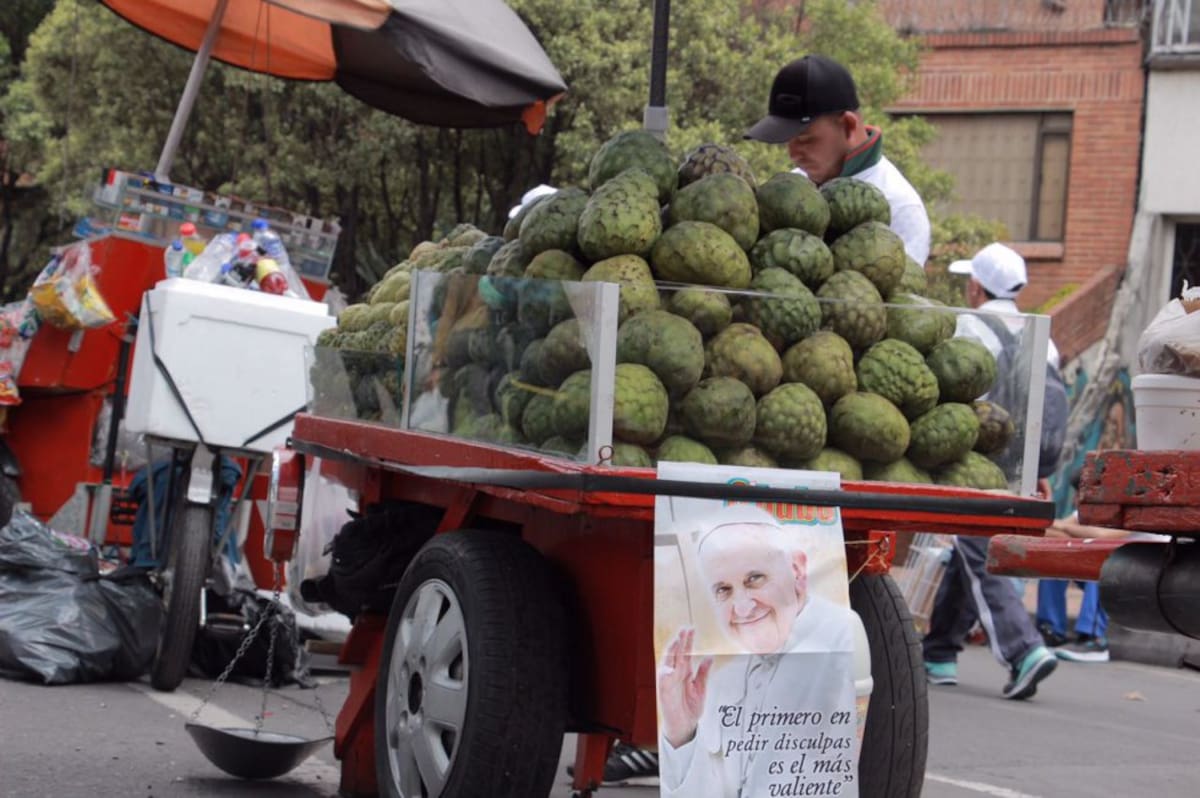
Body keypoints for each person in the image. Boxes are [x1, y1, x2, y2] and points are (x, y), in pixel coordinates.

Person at [922, 242, 1067, 700]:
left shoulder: (967, 326)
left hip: (976, 460)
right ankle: (939, 651)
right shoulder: (1044, 339)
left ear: (976, 287)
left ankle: (1023, 650)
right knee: (973, 547)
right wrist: (1039, 470)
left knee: (978, 548)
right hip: (1022, 465)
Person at [657, 514, 859, 798]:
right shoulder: (721, 677)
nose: (741, 608)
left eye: (754, 579)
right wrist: (682, 731)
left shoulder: (840, 636)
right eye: (723, 590)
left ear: (797, 571)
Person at [745, 54, 931, 265]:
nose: (793, 154)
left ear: (849, 126)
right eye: (788, 141)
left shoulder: (899, 206)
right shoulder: (793, 185)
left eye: (806, 140)